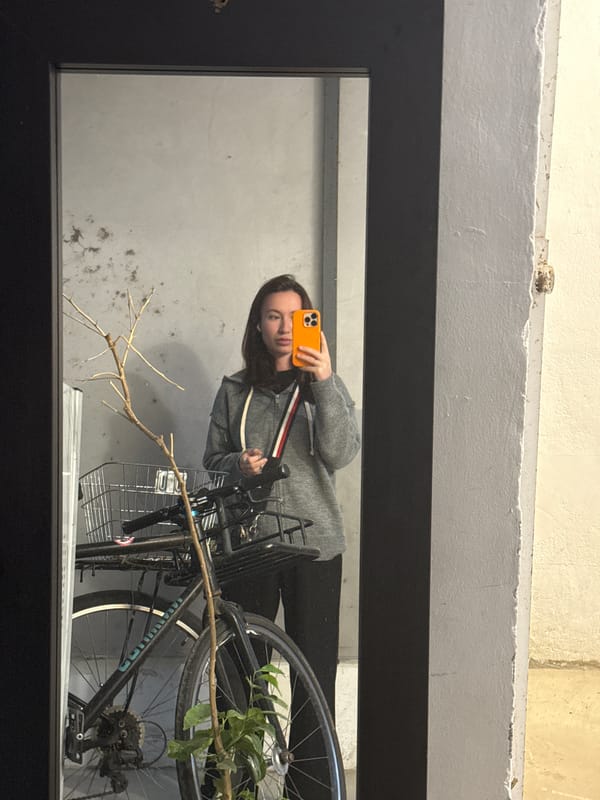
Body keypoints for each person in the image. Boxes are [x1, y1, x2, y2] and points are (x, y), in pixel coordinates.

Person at [203, 272, 360, 724]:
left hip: (315, 546)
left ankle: (309, 790)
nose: (286, 326)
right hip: (248, 544)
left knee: (313, 675)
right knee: (239, 670)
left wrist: (324, 379)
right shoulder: (233, 392)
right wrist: (239, 464)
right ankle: (234, 789)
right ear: (258, 325)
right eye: (274, 316)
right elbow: (212, 458)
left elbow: (341, 452)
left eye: (296, 316)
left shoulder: (323, 387)